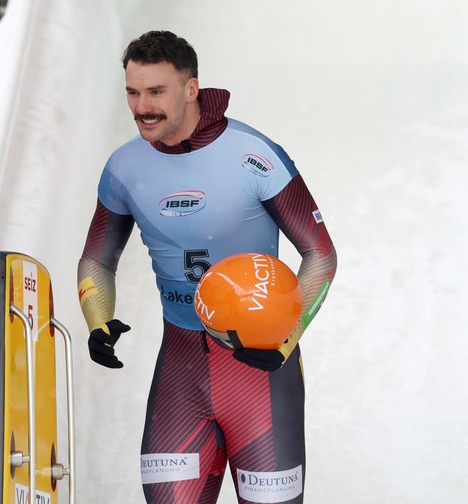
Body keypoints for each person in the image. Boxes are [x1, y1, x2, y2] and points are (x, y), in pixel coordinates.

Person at [77, 30, 337, 504]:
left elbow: (321, 254)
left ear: (191, 89)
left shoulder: (254, 156)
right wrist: (98, 321)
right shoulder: (123, 167)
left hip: (260, 371)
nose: (141, 107)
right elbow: (97, 258)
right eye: (132, 93)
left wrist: (287, 336)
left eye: (156, 91)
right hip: (180, 370)